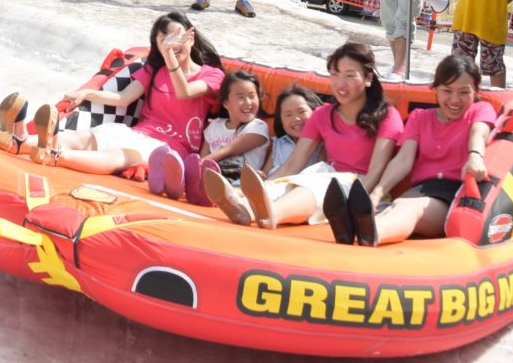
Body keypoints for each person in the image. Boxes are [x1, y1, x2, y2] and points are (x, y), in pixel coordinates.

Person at [0, 13, 226, 205]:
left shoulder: (212, 75)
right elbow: (123, 98)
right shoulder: (154, 70)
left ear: (191, 37)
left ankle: (55, 156)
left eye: (175, 38)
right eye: (163, 41)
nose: (170, 46)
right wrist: (86, 93)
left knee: (123, 155)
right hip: (138, 131)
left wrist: (168, 54)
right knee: (87, 137)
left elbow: (184, 91)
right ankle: (19, 140)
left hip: (170, 149)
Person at [202, 41, 403, 239]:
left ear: (368, 78)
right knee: (290, 183)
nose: (340, 84)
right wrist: (267, 186)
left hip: (360, 186)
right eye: (335, 75)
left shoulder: (386, 115)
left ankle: (272, 213)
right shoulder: (323, 114)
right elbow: (293, 163)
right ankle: (241, 206)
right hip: (326, 174)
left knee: (313, 188)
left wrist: (355, 201)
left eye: (349, 76)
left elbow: (377, 170)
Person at [328, 53, 497, 246]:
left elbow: (479, 133)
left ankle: (370, 234)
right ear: (436, 89)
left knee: (409, 208)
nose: (455, 100)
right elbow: (403, 160)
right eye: (447, 91)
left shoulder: (480, 110)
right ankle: (356, 230)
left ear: (475, 92)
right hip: (420, 190)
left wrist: (475, 156)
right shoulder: (420, 118)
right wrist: (376, 193)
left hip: (454, 194)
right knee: (399, 205)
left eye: (464, 92)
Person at [200, 69, 270, 177]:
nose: (248, 102)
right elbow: (203, 155)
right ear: (226, 103)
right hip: (213, 177)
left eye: (252, 96)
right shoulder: (214, 126)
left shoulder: (258, 127)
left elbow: (228, 151)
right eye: (241, 97)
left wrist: (196, 165)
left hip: (240, 180)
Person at [262, 84, 319, 177]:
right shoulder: (279, 143)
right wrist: (261, 175)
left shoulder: (321, 145)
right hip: (271, 185)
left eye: (301, 111)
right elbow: (265, 172)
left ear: (316, 112)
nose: (296, 118)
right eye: (288, 115)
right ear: (282, 123)